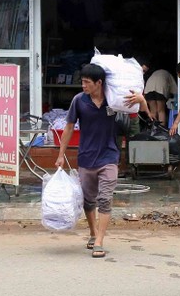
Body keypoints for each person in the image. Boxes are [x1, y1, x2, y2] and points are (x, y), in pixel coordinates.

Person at [56, 63, 147, 258]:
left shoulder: (114, 100)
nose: (83, 86)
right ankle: (92, 232)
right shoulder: (79, 101)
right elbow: (69, 128)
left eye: (87, 82)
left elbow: (144, 113)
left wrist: (141, 99)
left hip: (109, 156)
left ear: (99, 83)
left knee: (105, 199)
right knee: (89, 201)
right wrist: (60, 155)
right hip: (86, 158)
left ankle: (99, 241)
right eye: (82, 82)